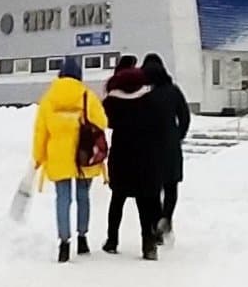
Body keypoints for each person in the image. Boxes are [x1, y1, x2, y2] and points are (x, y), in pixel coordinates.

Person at [32, 58, 108, 263]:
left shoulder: (49, 99)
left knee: (63, 199)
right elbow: (102, 122)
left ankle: (64, 244)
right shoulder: (87, 96)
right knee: (83, 196)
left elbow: (41, 131)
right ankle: (82, 238)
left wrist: (38, 157)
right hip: (84, 155)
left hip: (58, 156)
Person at [100, 58, 173, 260]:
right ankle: (148, 245)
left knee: (117, 200)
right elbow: (160, 128)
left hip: (122, 157)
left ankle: (112, 240)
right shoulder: (151, 101)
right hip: (145, 158)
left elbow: (104, 120)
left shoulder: (112, 103)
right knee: (145, 204)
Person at [141, 52, 191, 244]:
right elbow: (185, 116)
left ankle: (156, 225)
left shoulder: (145, 95)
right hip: (170, 145)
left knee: (153, 188)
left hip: (151, 147)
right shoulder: (174, 91)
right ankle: (167, 217)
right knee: (171, 186)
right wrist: (178, 135)